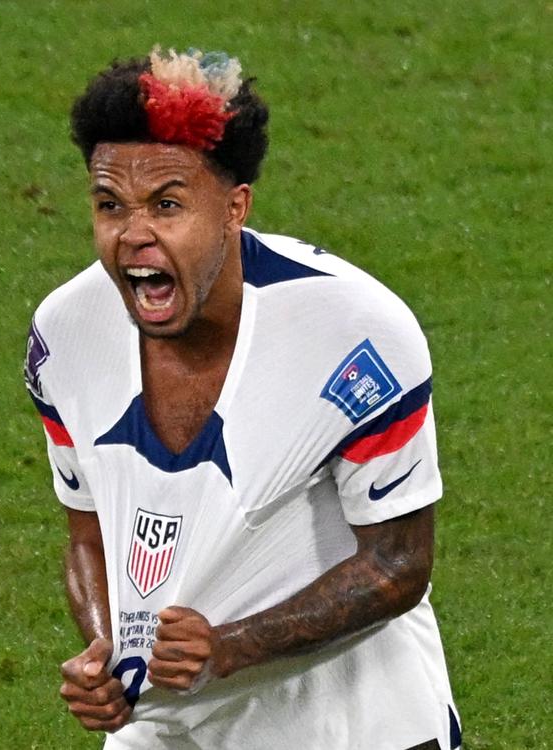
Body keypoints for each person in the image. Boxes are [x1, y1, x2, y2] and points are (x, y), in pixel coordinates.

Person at [23, 47, 462, 749]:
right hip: (166, 728)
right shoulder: (64, 337)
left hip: (355, 727)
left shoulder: (355, 337)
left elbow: (398, 564)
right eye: (111, 205)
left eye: (167, 204)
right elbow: (89, 531)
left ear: (235, 207)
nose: (134, 234)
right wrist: (105, 652)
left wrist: (230, 646)